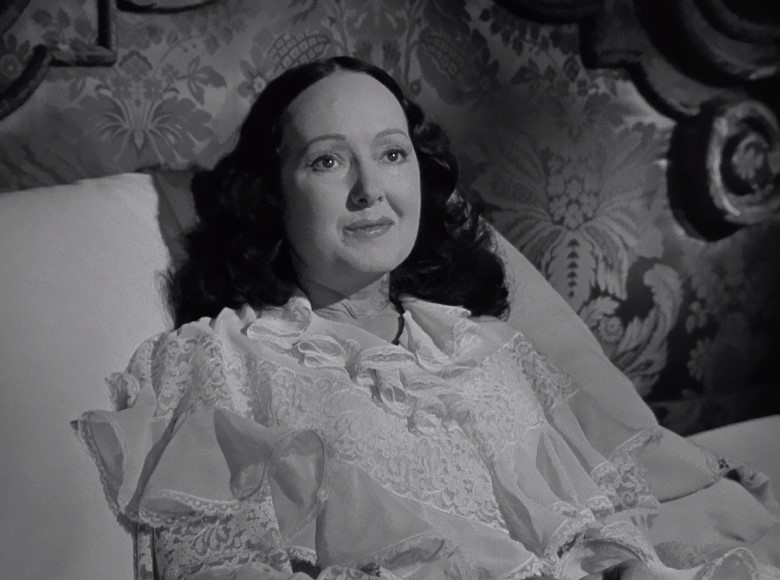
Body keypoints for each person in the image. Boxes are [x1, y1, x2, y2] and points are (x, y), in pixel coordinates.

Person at [74, 56, 780, 580]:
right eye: (327, 161)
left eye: (391, 153)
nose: (369, 190)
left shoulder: (489, 346)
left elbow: (616, 499)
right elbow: (222, 564)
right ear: (271, 195)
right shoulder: (224, 359)